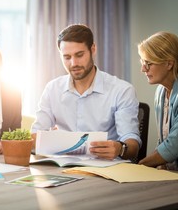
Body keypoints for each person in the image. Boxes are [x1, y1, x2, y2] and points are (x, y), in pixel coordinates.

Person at [31, 24, 141, 160]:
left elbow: (132, 145)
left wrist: (120, 148)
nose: (73, 63)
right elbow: (36, 134)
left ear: (93, 49)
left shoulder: (122, 90)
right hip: (63, 168)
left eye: (79, 55)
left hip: (105, 170)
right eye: (67, 57)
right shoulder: (52, 89)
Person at [138, 31, 178, 170]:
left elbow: (174, 145)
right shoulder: (161, 91)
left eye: (148, 63)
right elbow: (164, 141)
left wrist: (140, 166)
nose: (143, 69)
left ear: (169, 64)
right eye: (143, 62)